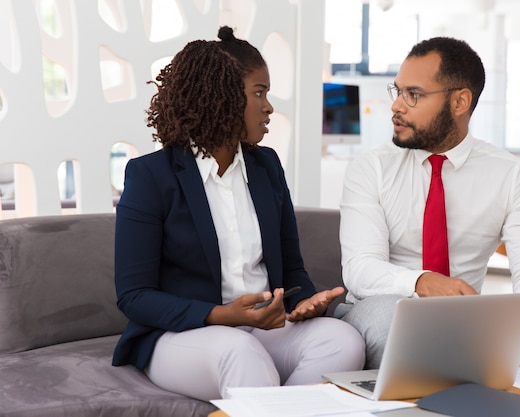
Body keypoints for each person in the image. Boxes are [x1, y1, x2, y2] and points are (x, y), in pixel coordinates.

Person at [112, 26, 365, 401]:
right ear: (222, 97)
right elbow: (134, 295)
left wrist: (305, 303)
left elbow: (291, 268)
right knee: (241, 353)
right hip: (184, 335)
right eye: (259, 93)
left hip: (264, 329)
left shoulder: (267, 166)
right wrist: (222, 315)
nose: (268, 106)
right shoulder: (151, 175)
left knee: (343, 341)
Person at [336, 36, 520, 370]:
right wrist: (421, 282)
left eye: (413, 95)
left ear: (460, 102)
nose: (396, 106)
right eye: (397, 90)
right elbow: (361, 269)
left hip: (467, 318)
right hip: (384, 306)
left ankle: (488, 395)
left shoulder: (510, 174)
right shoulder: (370, 167)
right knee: (396, 322)